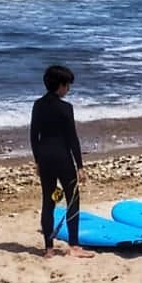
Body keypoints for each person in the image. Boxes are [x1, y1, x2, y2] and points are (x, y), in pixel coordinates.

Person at [30, 64, 93, 260]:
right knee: (72, 199)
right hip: (63, 159)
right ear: (60, 86)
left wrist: (38, 161)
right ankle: (74, 245)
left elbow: (34, 136)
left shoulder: (38, 105)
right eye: (68, 85)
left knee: (49, 202)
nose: (69, 89)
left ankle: (48, 248)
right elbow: (72, 139)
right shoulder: (66, 108)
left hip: (46, 158)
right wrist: (80, 166)